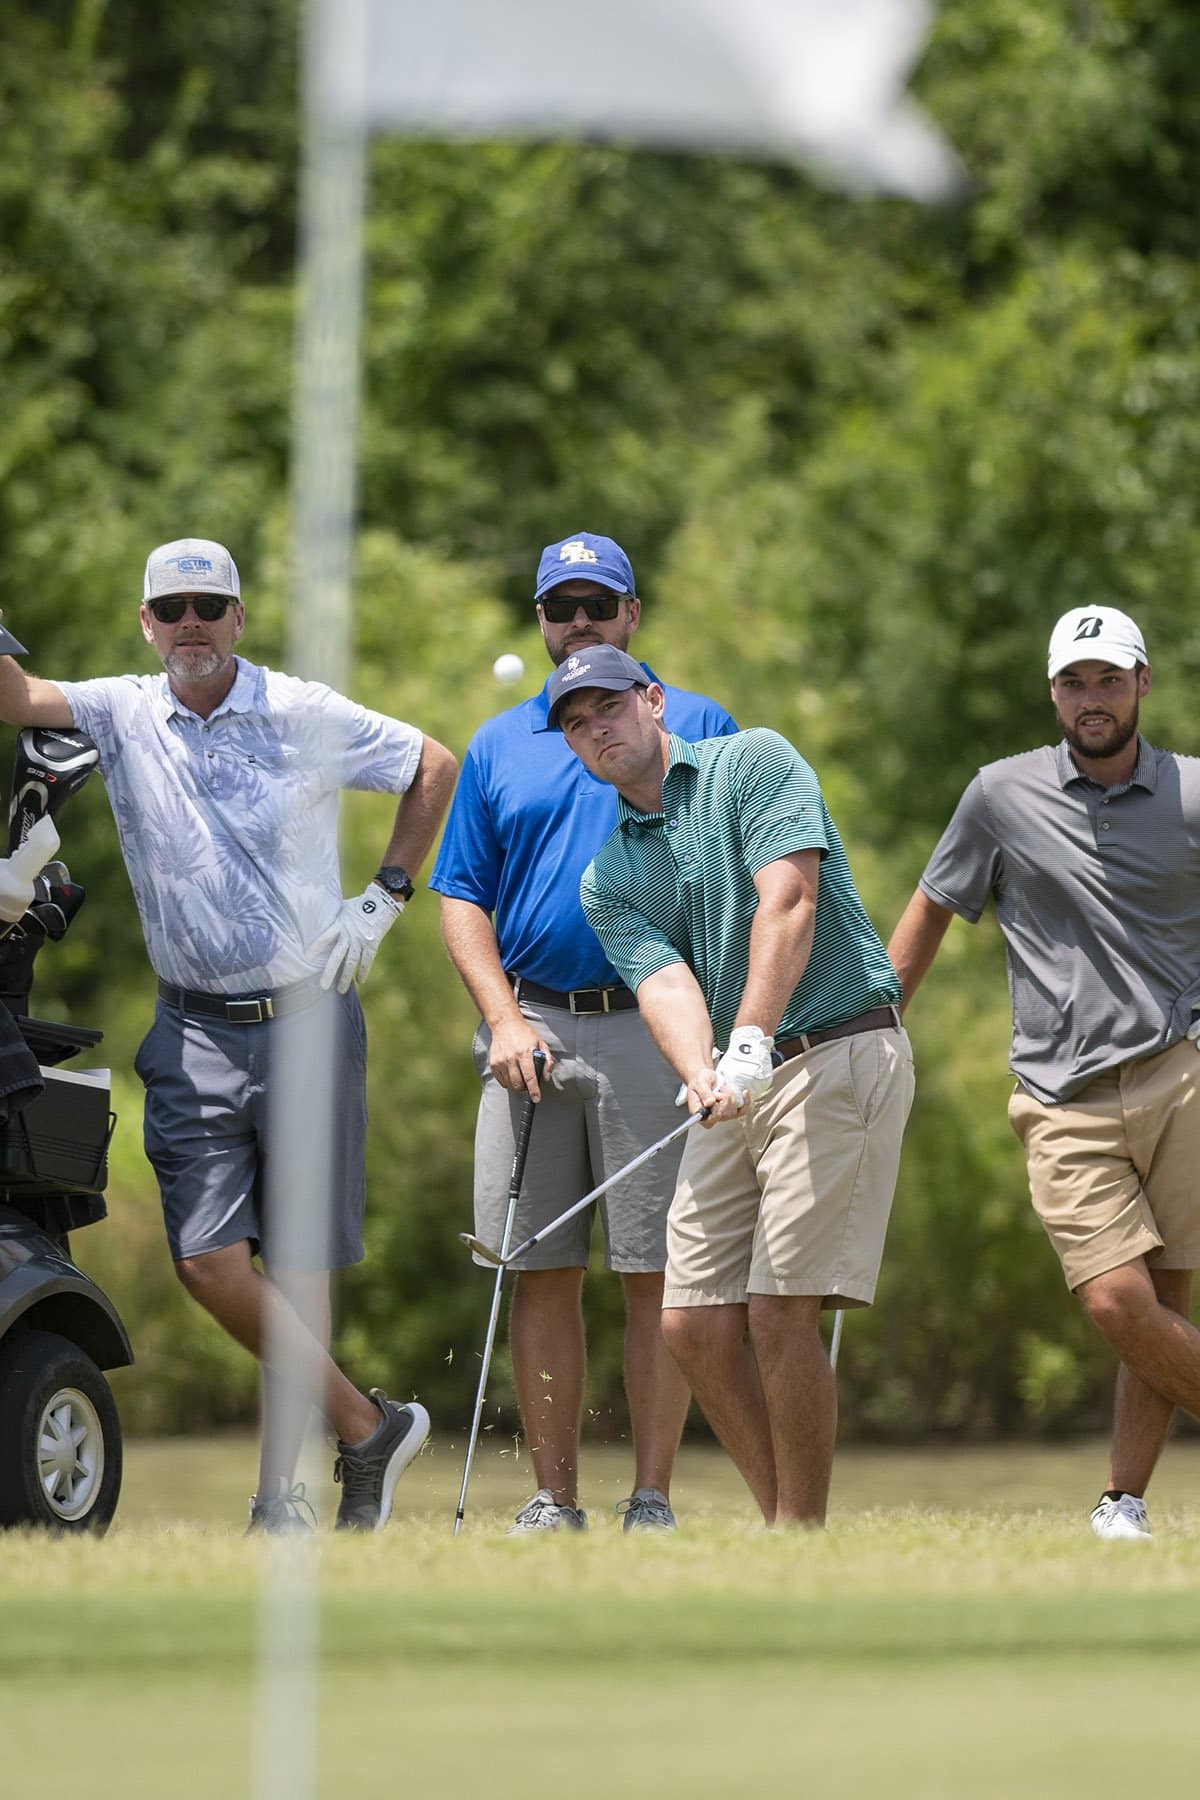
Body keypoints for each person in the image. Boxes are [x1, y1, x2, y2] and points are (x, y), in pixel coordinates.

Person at [0, 537, 458, 1533]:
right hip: (191, 1031)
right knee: (211, 1264)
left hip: (306, 1021)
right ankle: (367, 1426)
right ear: (147, 625)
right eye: (173, 609)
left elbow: (432, 762)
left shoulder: (300, 711)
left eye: (211, 606)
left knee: (296, 1270)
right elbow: (17, 697)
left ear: (239, 619)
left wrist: (381, 899)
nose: (192, 625)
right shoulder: (122, 709)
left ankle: (278, 1499)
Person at [551, 645, 914, 1528]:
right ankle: (785, 1528)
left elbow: (789, 900)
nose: (596, 728)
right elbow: (665, 985)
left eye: (608, 707)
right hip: (740, 1080)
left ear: (654, 701)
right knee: (692, 1324)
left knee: (779, 1308)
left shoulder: (753, 760)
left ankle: (800, 1536)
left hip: (836, 1050)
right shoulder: (609, 877)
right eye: (574, 722)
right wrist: (705, 1069)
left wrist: (746, 1040)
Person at [431, 532, 736, 1532]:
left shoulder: (696, 722)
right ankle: (553, 1497)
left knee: (655, 1269)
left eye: (597, 605)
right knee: (538, 1268)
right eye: (561, 607)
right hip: (534, 1032)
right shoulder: (496, 742)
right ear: (541, 621)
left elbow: (737, 880)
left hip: (657, 1027)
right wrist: (502, 1019)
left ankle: (650, 1496)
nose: (578, 623)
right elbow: (461, 898)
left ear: (632, 616)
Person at [887, 604, 1200, 1542]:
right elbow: (934, 906)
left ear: (1142, 683)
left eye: (1109, 679)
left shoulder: (1191, 794)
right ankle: (1124, 1501)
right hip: (1061, 1093)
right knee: (1116, 1300)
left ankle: (1123, 1502)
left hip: (1180, 1073)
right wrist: (873, 1022)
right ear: (1052, 691)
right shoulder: (1000, 795)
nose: (1091, 698)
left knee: (1166, 1299)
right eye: (1075, 682)